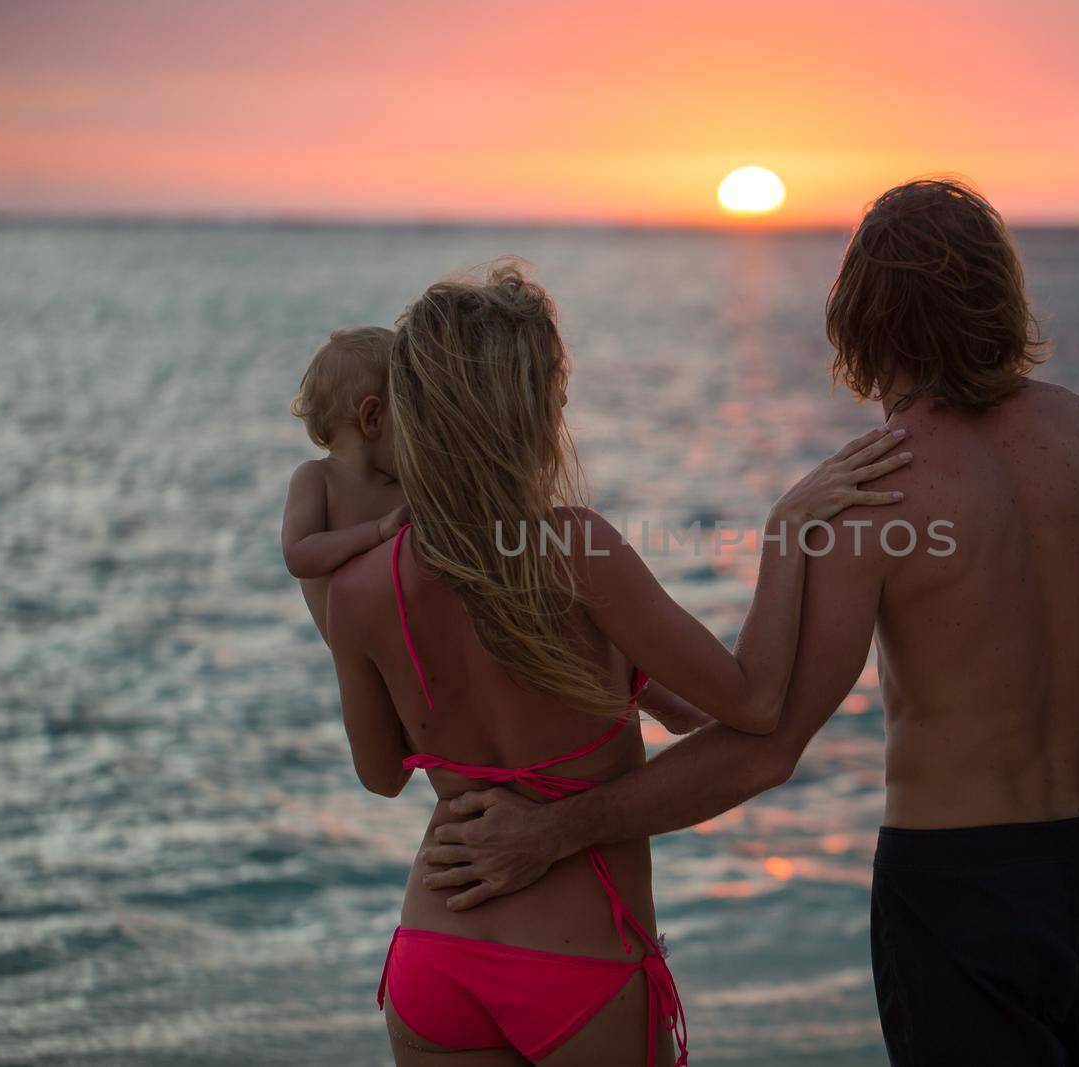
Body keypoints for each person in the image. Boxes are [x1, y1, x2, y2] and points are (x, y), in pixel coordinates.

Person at [418, 180, 1079, 1066]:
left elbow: (767, 747)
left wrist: (555, 831)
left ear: (861, 323)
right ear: (1001, 304)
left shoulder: (870, 495)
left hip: (960, 891)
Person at [322, 262, 913, 1066]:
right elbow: (756, 700)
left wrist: (625, 681)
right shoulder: (576, 550)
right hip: (577, 965)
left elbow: (382, 772)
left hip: (436, 953)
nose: (565, 403)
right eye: (555, 389)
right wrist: (787, 531)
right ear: (521, 410)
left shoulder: (358, 588)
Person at [282, 325, 411, 644]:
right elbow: (299, 554)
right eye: (411, 416)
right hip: (360, 661)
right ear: (373, 419)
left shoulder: (405, 484)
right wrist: (377, 531)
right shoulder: (317, 479)